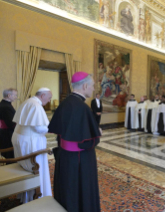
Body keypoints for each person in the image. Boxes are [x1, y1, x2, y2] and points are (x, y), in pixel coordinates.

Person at [49, 72, 102, 211]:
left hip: (64, 156)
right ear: (85, 86)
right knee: (80, 190)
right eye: (92, 85)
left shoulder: (64, 103)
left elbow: (60, 134)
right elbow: (87, 142)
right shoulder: (83, 108)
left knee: (67, 189)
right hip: (80, 160)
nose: (93, 89)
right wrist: (97, 134)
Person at [12, 88, 52, 203]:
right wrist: (51, 128)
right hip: (31, 142)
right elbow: (39, 128)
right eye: (49, 98)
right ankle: (37, 196)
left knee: (26, 167)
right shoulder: (36, 105)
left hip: (22, 139)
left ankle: (26, 195)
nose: (49, 101)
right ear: (43, 95)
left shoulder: (27, 102)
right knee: (35, 167)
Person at [0, 88, 17, 159]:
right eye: (15, 95)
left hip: (7, 132)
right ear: (9, 95)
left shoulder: (5, 104)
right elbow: (11, 124)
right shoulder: (5, 106)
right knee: (10, 156)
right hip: (8, 133)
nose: (16, 97)